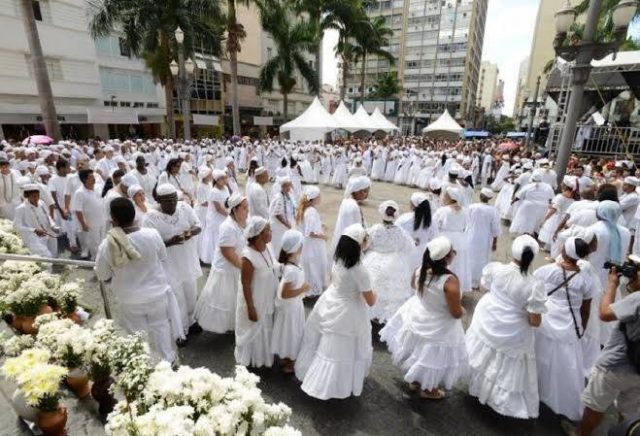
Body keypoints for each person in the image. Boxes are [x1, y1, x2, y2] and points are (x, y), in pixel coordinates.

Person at [466, 235, 546, 419]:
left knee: (483, 352)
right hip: (515, 329)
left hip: (489, 317)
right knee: (504, 364)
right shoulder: (534, 285)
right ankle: (495, 400)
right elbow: (535, 321)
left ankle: (476, 386)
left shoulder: (496, 269)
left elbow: (483, 288)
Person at [95, 198, 183, 363]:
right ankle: (168, 361)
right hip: (157, 294)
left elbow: (102, 275)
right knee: (161, 328)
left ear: (113, 219)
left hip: (130, 299)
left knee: (136, 334)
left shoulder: (107, 245)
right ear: (134, 215)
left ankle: (143, 365)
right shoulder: (152, 234)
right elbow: (162, 256)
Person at [380, 236, 468, 400]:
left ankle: (416, 379)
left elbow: (413, 286)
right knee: (432, 357)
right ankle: (428, 390)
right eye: (452, 252)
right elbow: (455, 313)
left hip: (419, 314)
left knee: (419, 350)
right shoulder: (450, 282)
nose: (454, 254)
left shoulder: (419, 270)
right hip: (440, 324)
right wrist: (462, 310)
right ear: (446, 258)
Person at [295, 224, 377, 400]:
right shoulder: (360, 270)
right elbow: (370, 301)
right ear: (358, 244)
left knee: (327, 345)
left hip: (331, 299)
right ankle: (336, 385)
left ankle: (318, 378)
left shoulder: (338, 260)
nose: (367, 241)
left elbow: (334, 281)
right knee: (343, 349)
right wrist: (375, 291)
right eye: (365, 239)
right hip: (349, 310)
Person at [577, 257, 640, 436]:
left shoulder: (637, 299)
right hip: (638, 372)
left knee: (594, 408)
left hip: (615, 365)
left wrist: (612, 284)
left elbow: (604, 313)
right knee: (629, 414)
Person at [534, 237, 593, 422]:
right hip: (570, 323)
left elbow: (534, 293)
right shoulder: (586, 280)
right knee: (565, 364)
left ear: (564, 251)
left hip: (545, 319)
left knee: (538, 354)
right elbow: (585, 310)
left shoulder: (545, 271)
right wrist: (581, 328)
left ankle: (534, 389)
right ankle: (559, 400)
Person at [143, 183, 202, 343]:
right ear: (159, 201)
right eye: (168, 201)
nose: (173, 203)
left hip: (187, 260)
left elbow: (198, 226)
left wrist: (189, 233)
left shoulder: (184, 208)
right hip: (168, 264)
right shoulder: (150, 218)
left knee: (191, 294)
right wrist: (170, 242)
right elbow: (150, 246)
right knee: (176, 299)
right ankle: (180, 332)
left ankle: (191, 322)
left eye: (174, 199)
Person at [195, 193, 249, 333]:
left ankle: (236, 324)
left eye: (247, 207)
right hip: (227, 269)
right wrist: (245, 268)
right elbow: (228, 253)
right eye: (244, 208)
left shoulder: (242, 222)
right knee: (225, 299)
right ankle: (225, 325)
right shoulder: (228, 227)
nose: (247, 210)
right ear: (235, 209)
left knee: (236, 298)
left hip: (237, 265)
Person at [235, 216, 279, 368]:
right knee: (256, 329)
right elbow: (245, 284)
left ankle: (266, 355)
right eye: (268, 230)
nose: (271, 232)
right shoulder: (248, 257)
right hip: (255, 300)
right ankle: (255, 359)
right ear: (259, 234)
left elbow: (273, 265)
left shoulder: (268, 247)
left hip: (267, 297)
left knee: (266, 325)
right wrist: (250, 308)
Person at [364, 200, 416, 323]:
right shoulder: (401, 232)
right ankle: (383, 316)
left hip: (373, 261)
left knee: (373, 287)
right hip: (394, 263)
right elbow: (410, 248)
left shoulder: (375, 229)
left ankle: (371, 313)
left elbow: (365, 244)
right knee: (389, 292)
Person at [273, 229, 309, 373]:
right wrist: (302, 289)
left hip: (293, 307)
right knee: (291, 334)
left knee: (288, 334)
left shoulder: (293, 265)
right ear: (297, 247)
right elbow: (285, 293)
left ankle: (286, 356)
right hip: (290, 309)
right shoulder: (291, 270)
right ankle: (290, 361)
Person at [433, 187, 471, 293]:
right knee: (459, 264)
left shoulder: (443, 210)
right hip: (461, 240)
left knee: (444, 262)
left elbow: (434, 224)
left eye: (445, 196)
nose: (443, 198)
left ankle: (442, 286)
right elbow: (467, 226)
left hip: (446, 238)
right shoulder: (465, 211)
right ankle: (456, 287)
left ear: (450, 197)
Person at [466, 188, 501, 289]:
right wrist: (495, 242)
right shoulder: (493, 211)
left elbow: (466, 221)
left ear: (480, 196)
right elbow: (495, 229)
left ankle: (468, 279)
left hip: (470, 236)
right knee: (481, 260)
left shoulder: (471, 207)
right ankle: (478, 281)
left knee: (469, 257)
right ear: (490, 198)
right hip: (484, 239)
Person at [297, 186, 328, 297]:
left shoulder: (308, 209)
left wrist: (320, 224)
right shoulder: (311, 211)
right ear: (314, 198)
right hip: (313, 245)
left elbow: (309, 224)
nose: (320, 198)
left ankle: (312, 288)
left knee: (311, 266)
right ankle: (313, 290)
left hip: (309, 244)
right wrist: (323, 236)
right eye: (319, 196)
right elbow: (310, 232)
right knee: (314, 266)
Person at [13, 183, 60, 257]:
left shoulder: (41, 203)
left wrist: (53, 225)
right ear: (27, 196)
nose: (36, 198)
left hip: (47, 233)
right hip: (33, 238)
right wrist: (34, 230)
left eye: (38, 195)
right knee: (46, 256)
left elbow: (47, 215)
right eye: (34, 196)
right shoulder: (21, 208)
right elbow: (16, 226)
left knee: (54, 254)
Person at [395, 192, 437, 270]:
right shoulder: (431, 221)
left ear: (413, 205)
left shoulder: (404, 219)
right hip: (423, 255)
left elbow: (396, 235)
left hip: (406, 254)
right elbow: (435, 238)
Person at [331, 176, 370, 254]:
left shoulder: (349, 201)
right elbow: (352, 230)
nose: (367, 195)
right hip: (349, 245)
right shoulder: (352, 207)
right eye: (365, 191)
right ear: (357, 192)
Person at [71, 169, 105, 259]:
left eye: (93, 176)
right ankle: (95, 260)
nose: (93, 178)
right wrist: (83, 224)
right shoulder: (79, 193)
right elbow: (78, 210)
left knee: (103, 242)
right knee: (95, 244)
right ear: (84, 179)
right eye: (90, 177)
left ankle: (103, 260)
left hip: (102, 220)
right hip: (91, 224)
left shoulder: (98, 187)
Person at [509, 171, 554, 236]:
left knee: (526, 221)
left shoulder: (528, 186)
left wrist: (513, 201)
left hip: (528, 206)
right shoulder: (548, 187)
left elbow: (519, 196)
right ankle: (535, 234)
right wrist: (549, 204)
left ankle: (526, 234)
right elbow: (551, 198)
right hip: (542, 207)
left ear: (532, 179)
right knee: (537, 222)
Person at [199, 170, 229, 265]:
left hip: (224, 215)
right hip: (216, 218)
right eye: (222, 178)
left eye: (225, 178)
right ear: (217, 180)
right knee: (215, 238)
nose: (224, 180)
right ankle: (215, 259)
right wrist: (230, 215)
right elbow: (218, 208)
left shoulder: (225, 188)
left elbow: (227, 201)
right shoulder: (214, 191)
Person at [269, 176, 295, 255]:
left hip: (286, 226)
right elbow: (277, 214)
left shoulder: (289, 195)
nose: (288, 188)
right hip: (279, 227)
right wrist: (288, 225)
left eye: (289, 185)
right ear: (281, 187)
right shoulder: (278, 197)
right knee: (278, 247)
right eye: (285, 186)